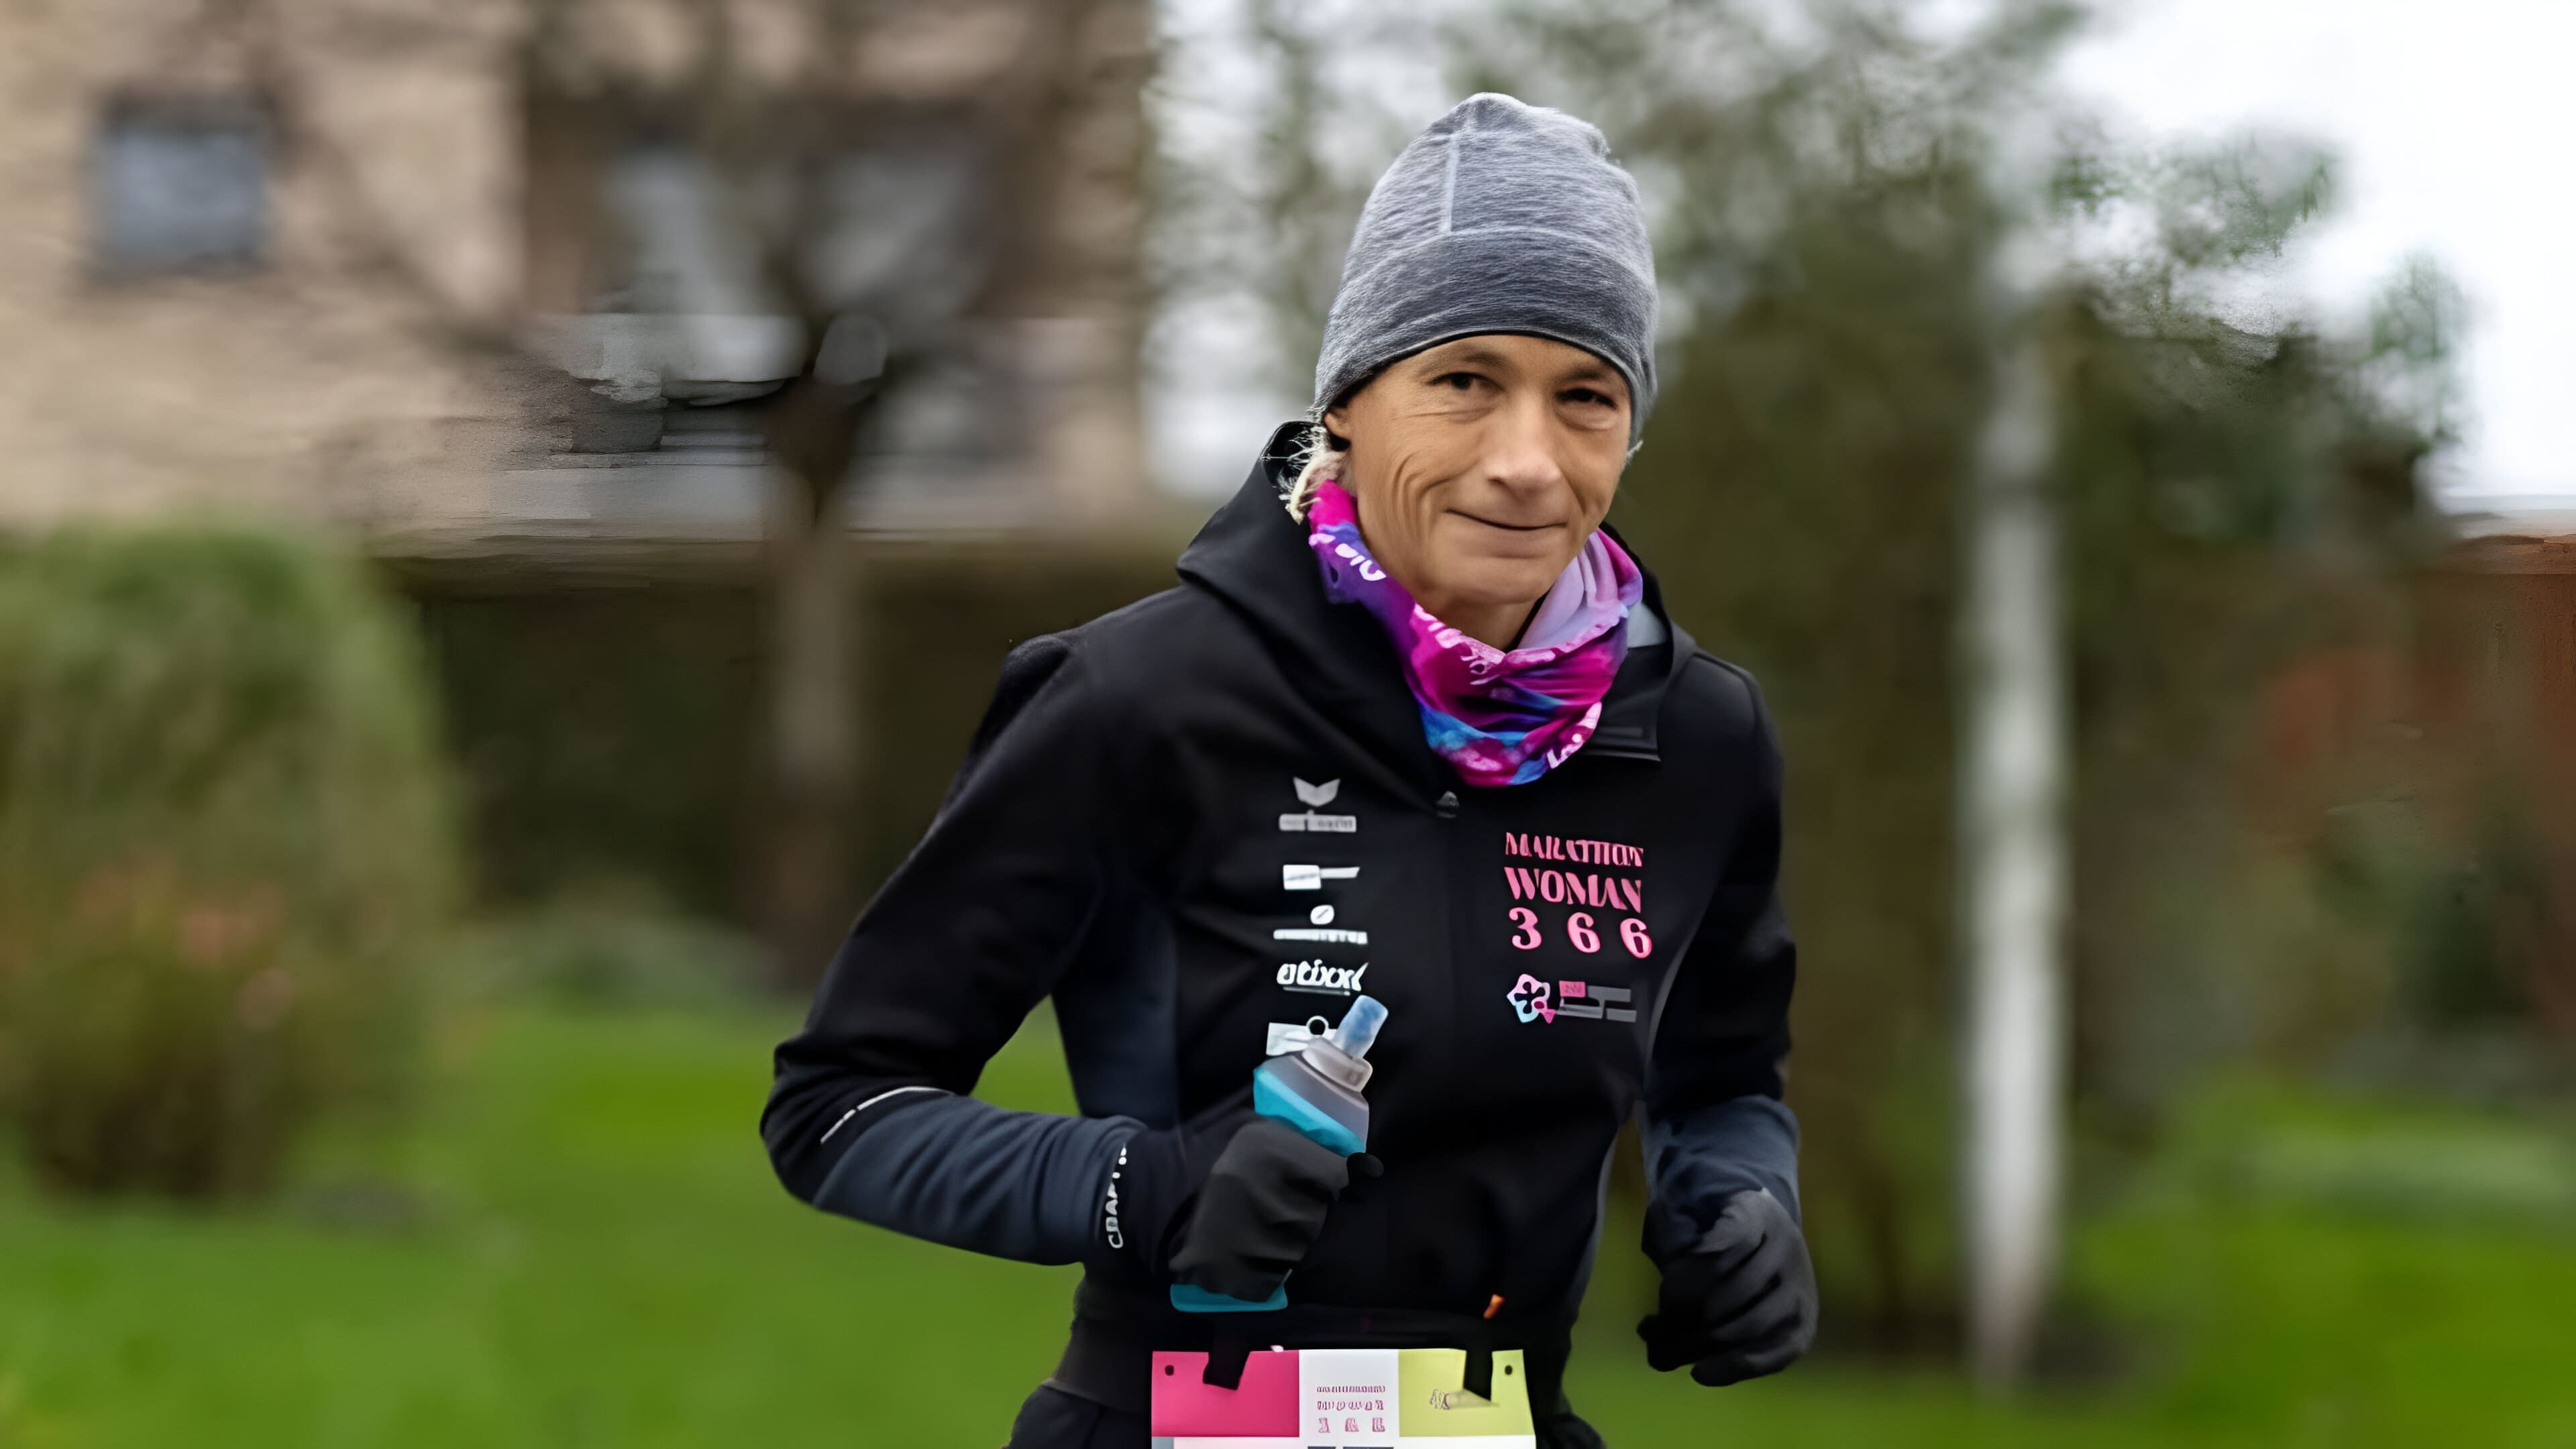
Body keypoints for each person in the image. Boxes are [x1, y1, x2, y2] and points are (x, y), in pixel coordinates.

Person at [762, 92, 1815, 1448]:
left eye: (1586, 398)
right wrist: (1144, 1188)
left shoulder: (1692, 736)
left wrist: (1746, 1211)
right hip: (1175, 1422)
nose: (1525, 463)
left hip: (1501, 1426)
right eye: (1464, 381)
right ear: (1348, 405)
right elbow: (838, 1109)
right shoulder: (1138, 698)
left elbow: (1722, 1084)